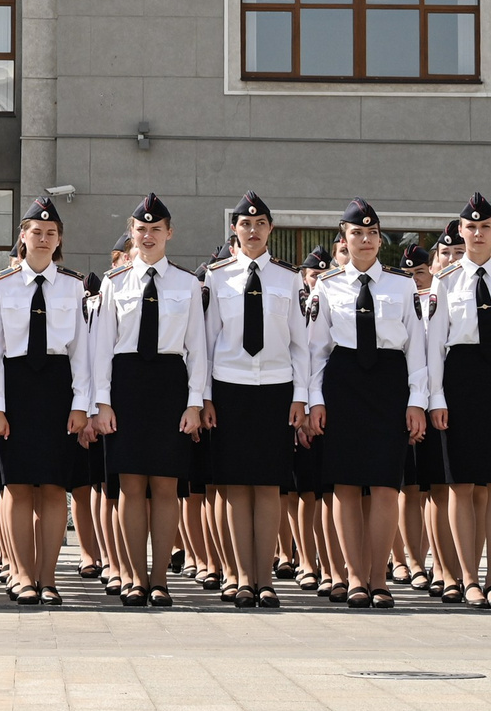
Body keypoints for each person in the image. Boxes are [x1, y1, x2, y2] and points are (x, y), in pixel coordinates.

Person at [306, 197, 431, 608]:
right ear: (344, 237)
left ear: (381, 240)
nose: (364, 240)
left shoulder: (401, 285)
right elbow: (317, 351)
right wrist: (315, 400)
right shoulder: (327, 286)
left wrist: (417, 402)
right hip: (343, 385)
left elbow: (417, 350)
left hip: (389, 385)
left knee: (384, 484)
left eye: (372, 233)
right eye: (356, 233)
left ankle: (380, 578)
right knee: (344, 484)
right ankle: (354, 576)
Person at [89, 195, 209, 608]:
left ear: (169, 233)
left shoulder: (186, 283)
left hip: (169, 385)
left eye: (157, 229)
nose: (149, 235)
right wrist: (101, 403)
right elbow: (102, 347)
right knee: (130, 486)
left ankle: (160, 578)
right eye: (142, 229)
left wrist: (195, 403)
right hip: (126, 386)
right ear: (132, 233)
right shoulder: (114, 282)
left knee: (165, 485)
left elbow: (198, 349)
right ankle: (134, 577)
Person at [0, 196, 91, 606]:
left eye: (51, 233)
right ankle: (22, 573)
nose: (43, 238)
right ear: (22, 237)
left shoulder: (74, 285)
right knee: (19, 487)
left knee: (54, 488)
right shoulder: (1, 286)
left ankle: (48, 576)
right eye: (36, 232)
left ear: (59, 240)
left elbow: (82, 351)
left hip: (58, 390)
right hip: (16, 388)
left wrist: (82, 403)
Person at [203, 192, 308, 609]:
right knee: (234, 488)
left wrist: (301, 396)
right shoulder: (217, 277)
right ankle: (242, 576)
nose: (252, 230)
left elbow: (301, 344)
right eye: (245, 224)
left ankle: (265, 578)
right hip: (230, 387)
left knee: (268, 487)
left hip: (276, 388)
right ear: (235, 230)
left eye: (260, 223)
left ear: (270, 229)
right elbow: (206, 343)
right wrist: (206, 397)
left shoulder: (289, 278)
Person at [431, 194, 491, 609]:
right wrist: (435, 398)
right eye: (472, 227)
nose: (478, 233)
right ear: (461, 229)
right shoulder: (447, 280)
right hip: (463, 379)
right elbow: (434, 345)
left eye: (486, 227)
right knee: (462, 483)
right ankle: (469, 577)